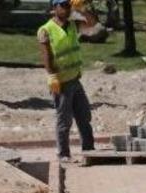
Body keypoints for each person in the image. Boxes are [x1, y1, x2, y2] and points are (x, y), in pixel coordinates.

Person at [38, 0, 96, 162]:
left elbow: (92, 24)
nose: (67, 9)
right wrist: (51, 75)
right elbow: (46, 55)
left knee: (84, 116)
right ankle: (63, 154)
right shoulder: (46, 30)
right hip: (61, 82)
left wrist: (82, 9)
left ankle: (89, 150)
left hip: (75, 79)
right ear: (54, 8)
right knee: (64, 120)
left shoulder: (72, 25)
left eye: (68, 6)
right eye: (63, 6)